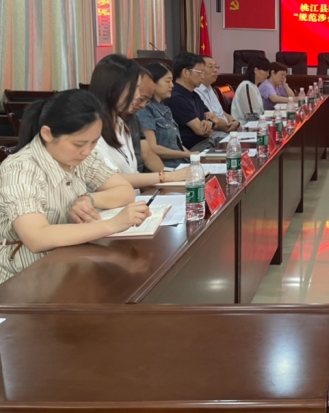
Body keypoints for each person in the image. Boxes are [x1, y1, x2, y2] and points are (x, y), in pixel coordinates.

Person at [0, 90, 149, 283]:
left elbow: (125, 191)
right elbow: (37, 238)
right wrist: (113, 224)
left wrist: (89, 199)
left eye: (94, 142)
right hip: (25, 276)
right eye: (79, 144)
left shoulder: (80, 158)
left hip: (70, 262)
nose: (87, 151)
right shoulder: (20, 169)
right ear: (47, 134)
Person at [89, 55, 189, 188]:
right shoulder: (90, 128)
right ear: (112, 88)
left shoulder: (122, 123)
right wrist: (167, 177)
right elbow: (108, 179)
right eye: (134, 88)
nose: (136, 96)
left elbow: (132, 170)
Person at [138, 62, 194, 168]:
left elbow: (176, 145)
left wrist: (193, 157)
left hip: (181, 164)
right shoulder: (145, 109)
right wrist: (187, 155)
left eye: (172, 81)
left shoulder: (164, 108)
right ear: (153, 83)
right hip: (166, 167)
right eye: (168, 81)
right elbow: (152, 148)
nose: (172, 85)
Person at [163, 52, 217, 152]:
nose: (202, 76)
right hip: (193, 148)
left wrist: (210, 122)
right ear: (185, 73)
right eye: (200, 72)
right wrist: (209, 125)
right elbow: (201, 131)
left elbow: (211, 116)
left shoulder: (194, 94)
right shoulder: (176, 97)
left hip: (207, 142)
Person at [128, 68, 165, 174]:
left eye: (147, 101)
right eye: (141, 98)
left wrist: (168, 177)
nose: (143, 105)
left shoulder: (133, 119)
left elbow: (147, 154)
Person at [195, 55, 240, 135]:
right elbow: (211, 119)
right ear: (200, 70)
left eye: (216, 67)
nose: (215, 70)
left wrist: (235, 122)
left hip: (226, 131)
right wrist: (230, 127)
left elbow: (221, 112)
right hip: (216, 134)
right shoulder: (196, 91)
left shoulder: (210, 88)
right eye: (210, 67)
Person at [232, 56, 272, 125]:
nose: (268, 75)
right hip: (244, 127)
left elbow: (259, 113)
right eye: (266, 71)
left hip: (256, 125)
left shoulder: (254, 86)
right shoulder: (246, 86)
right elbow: (251, 117)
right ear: (256, 70)